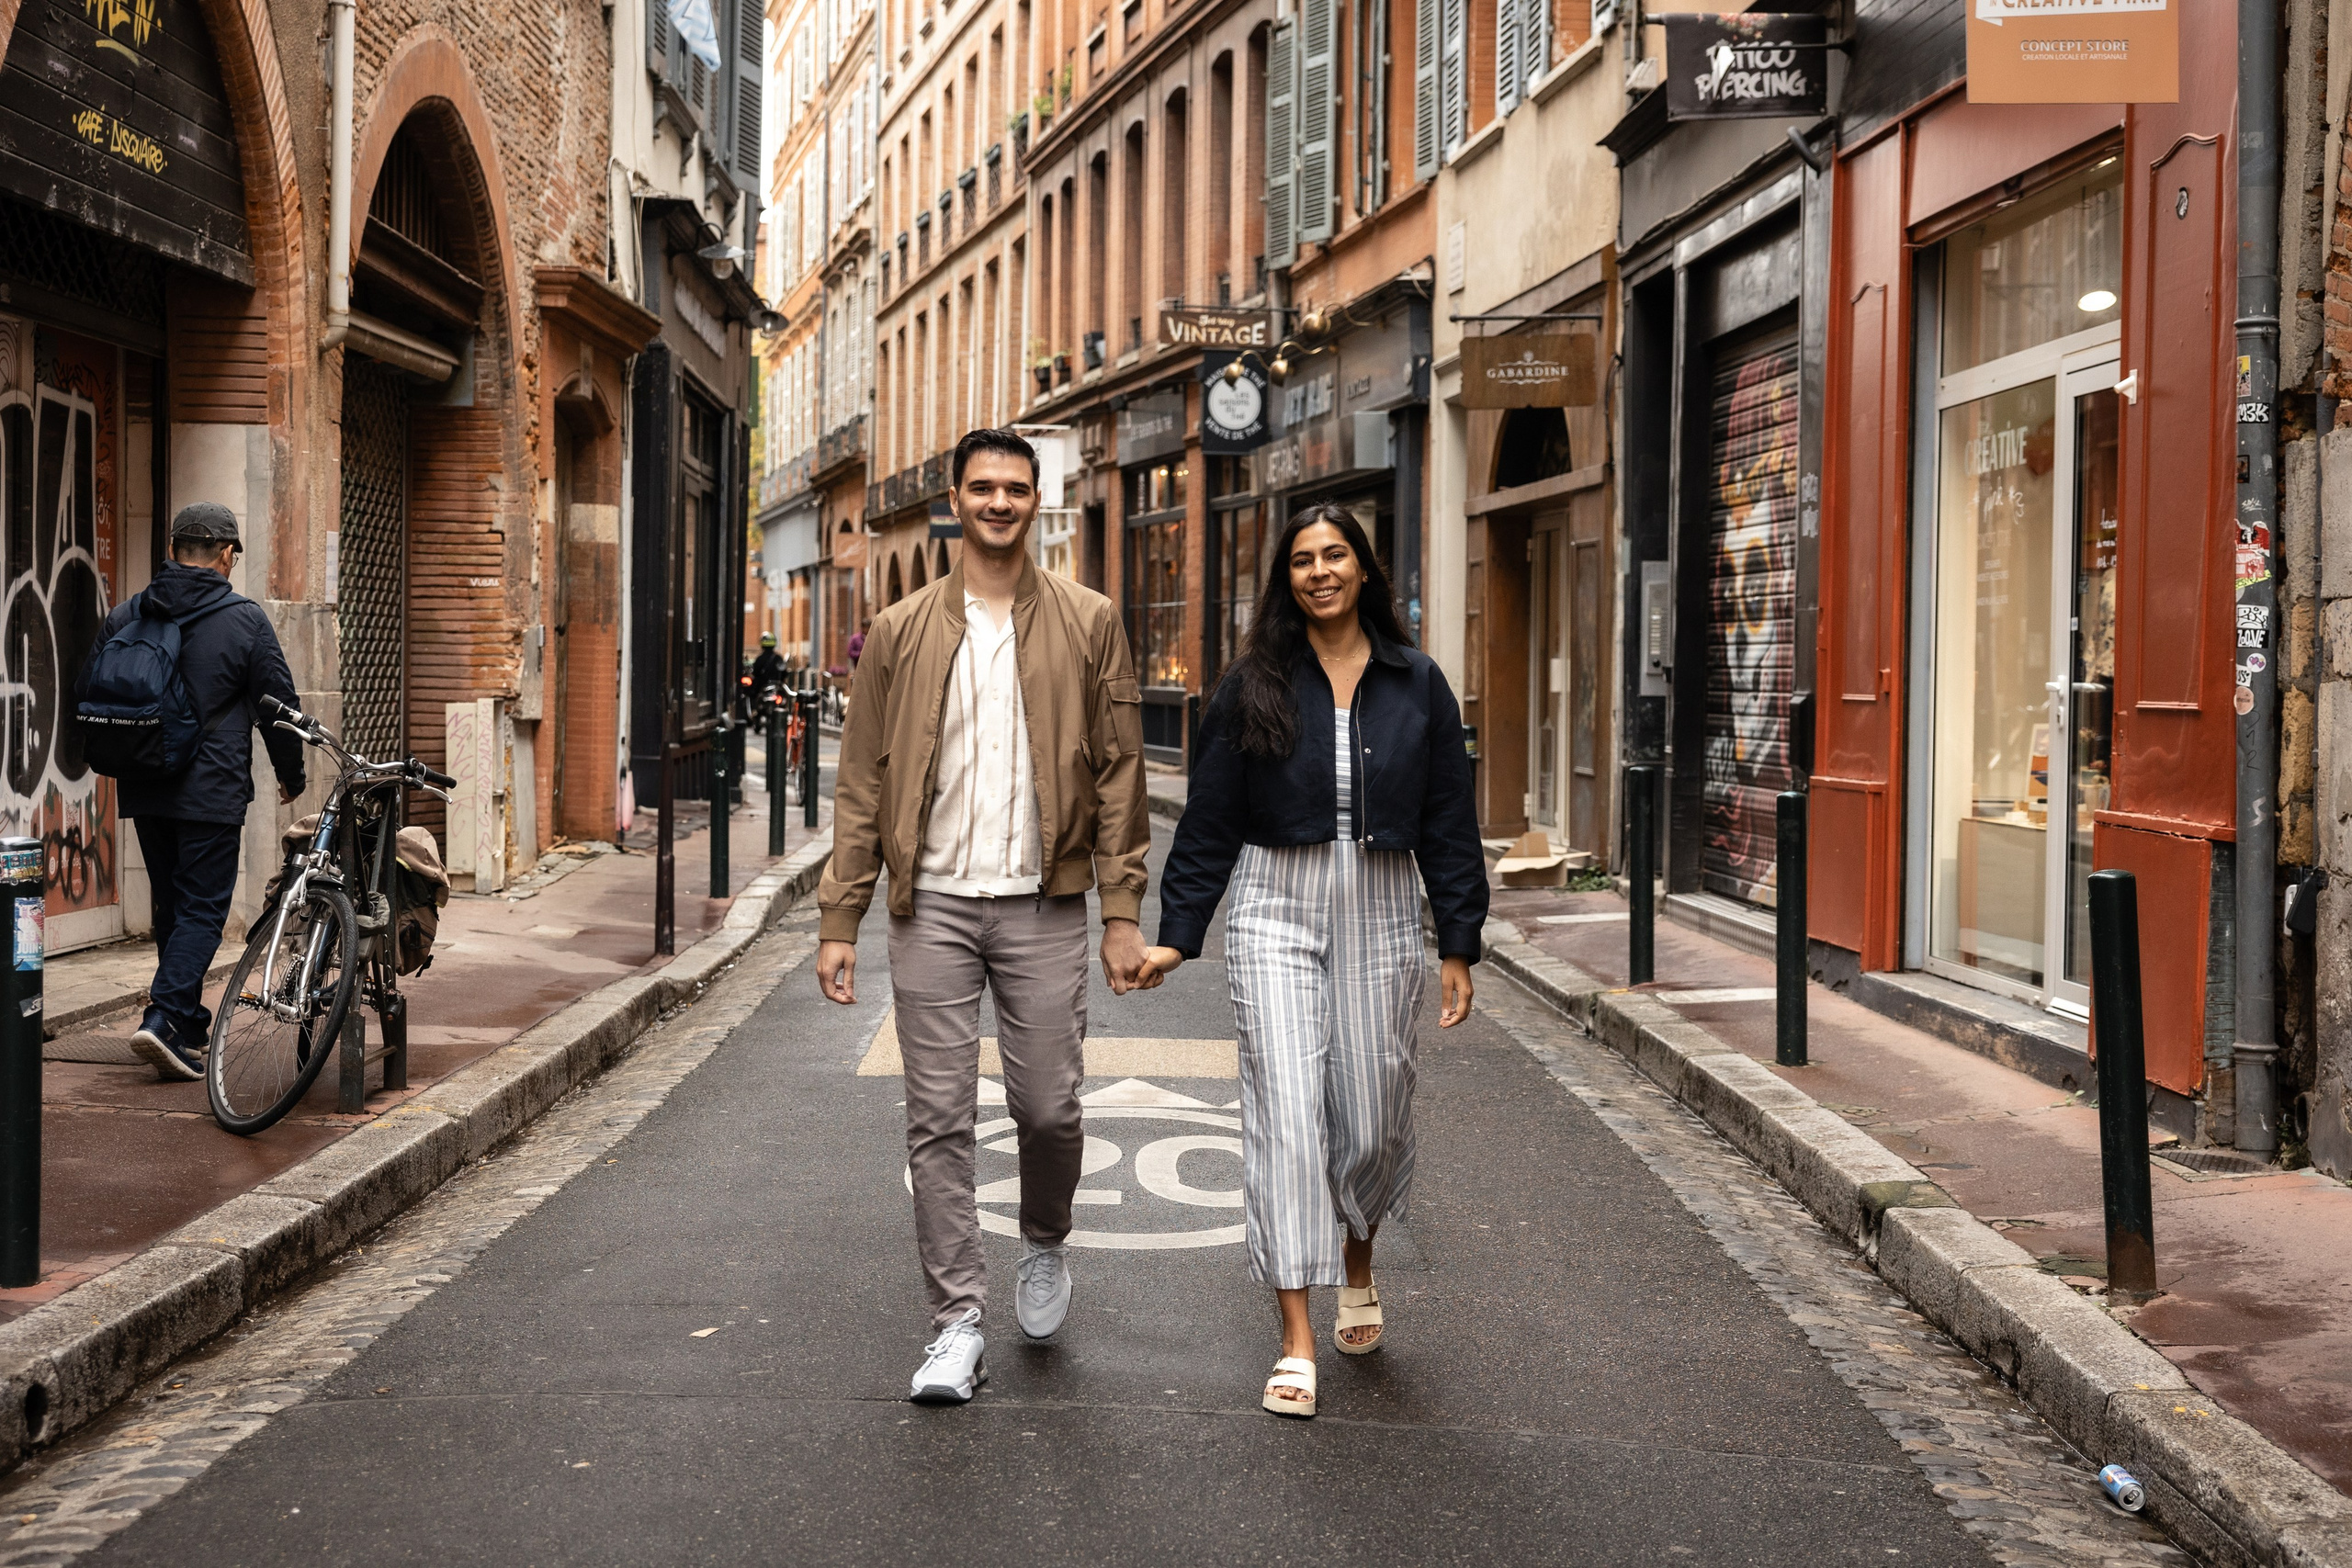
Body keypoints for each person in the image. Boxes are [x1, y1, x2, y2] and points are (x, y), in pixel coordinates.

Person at [813, 427, 1153, 1405]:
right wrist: (843, 917)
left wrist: (1120, 909)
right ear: (954, 500)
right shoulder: (901, 628)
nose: (998, 502)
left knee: (1048, 1108)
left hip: (1045, 904)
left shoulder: (1090, 622)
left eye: (1014, 488)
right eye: (982, 487)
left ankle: (1043, 1241)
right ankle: (956, 1321)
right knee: (937, 1119)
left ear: (1035, 502)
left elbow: (1122, 774)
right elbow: (863, 780)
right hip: (936, 908)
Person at [1142, 502, 1487, 1420]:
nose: (1320, 571)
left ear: (1364, 569)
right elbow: (1211, 814)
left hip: (1379, 899)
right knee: (1287, 1112)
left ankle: (1358, 1258)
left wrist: (1459, 942)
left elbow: (1450, 817)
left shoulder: (1416, 682)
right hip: (1273, 903)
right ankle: (1295, 1338)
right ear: (1285, 578)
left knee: (1372, 1112)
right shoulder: (1252, 680)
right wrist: (1178, 932)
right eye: (1302, 560)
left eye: (1336, 555)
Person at [87, 503, 308, 1080]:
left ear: (174, 548)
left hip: (144, 782)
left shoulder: (128, 614)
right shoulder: (244, 620)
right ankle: (162, 1018)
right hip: (210, 788)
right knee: (204, 909)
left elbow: (93, 691)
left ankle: (182, 1026)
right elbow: (278, 708)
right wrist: (294, 774)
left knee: (171, 906)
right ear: (228, 554)